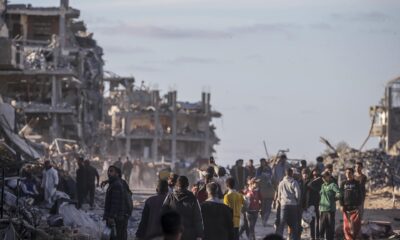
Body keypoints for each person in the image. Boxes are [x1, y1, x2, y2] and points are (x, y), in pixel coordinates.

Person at [162, 176, 204, 240]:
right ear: (187, 185)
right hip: (189, 235)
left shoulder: (170, 197)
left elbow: (163, 214)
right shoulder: (193, 198)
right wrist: (199, 235)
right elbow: (197, 218)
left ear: (176, 185)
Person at [103, 166, 129, 240]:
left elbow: (115, 203)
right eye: (108, 171)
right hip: (118, 217)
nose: (109, 173)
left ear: (117, 174)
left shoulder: (116, 185)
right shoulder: (117, 182)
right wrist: (106, 181)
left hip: (116, 218)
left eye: (111, 171)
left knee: (116, 236)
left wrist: (111, 216)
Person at [275, 168, 300, 240]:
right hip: (293, 205)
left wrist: (281, 202)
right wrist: (296, 201)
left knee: (282, 224)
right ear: (292, 173)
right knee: (294, 224)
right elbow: (298, 194)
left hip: (284, 205)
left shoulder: (281, 183)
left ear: (285, 174)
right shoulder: (294, 182)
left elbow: (278, 195)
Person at [340, 168, 363, 240]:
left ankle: (356, 238)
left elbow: (360, 195)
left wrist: (359, 205)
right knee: (346, 226)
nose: (348, 174)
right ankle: (348, 238)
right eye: (346, 173)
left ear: (353, 174)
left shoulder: (357, 183)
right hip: (346, 207)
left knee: (356, 225)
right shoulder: (343, 183)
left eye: (349, 172)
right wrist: (341, 205)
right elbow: (340, 195)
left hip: (355, 207)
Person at [319, 170, 340, 240]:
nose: (323, 178)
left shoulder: (333, 185)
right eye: (322, 177)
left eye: (325, 176)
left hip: (330, 210)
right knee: (321, 228)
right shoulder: (322, 185)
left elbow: (339, 193)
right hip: (322, 209)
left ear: (329, 176)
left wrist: (334, 199)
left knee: (330, 229)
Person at [306, 168, 324, 240]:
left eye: (317, 174)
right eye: (314, 173)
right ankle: (312, 236)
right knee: (312, 220)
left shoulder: (321, 181)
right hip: (311, 203)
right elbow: (309, 185)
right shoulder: (310, 181)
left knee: (318, 221)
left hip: (319, 203)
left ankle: (318, 236)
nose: (315, 175)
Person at [256, 158, 274, 227]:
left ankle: (264, 220)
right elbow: (257, 179)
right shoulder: (259, 170)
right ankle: (264, 220)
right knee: (264, 208)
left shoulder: (269, 171)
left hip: (267, 193)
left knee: (267, 208)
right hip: (263, 193)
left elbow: (273, 180)